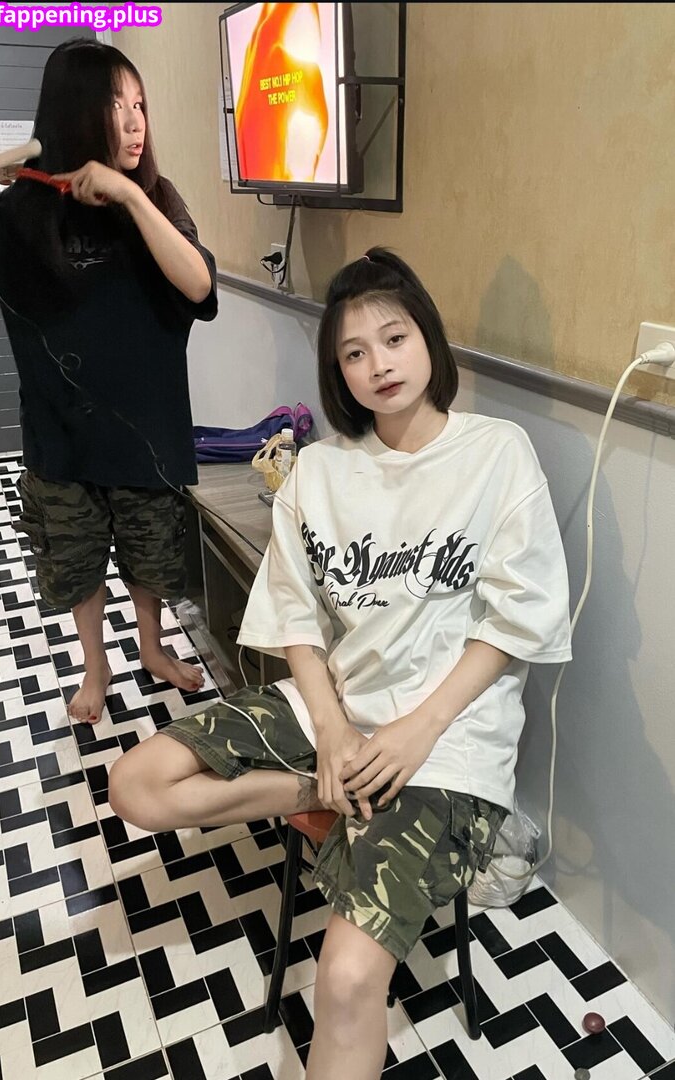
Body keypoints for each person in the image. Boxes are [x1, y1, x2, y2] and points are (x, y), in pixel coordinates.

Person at [108, 248, 572, 1080]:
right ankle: (330, 790)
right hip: (338, 706)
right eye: (354, 353)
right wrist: (330, 731)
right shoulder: (319, 470)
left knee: (349, 979)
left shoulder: (497, 454)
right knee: (136, 785)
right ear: (337, 372)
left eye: (395, 339)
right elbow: (295, 616)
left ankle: (354, 790)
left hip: (449, 739)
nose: (378, 364)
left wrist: (415, 731)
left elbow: (520, 618)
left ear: (428, 339)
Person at [0, 39, 217, 724]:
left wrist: (129, 194)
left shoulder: (155, 198)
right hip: (60, 437)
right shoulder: (20, 214)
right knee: (76, 562)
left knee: (149, 557)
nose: (135, 123)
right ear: (75, 111)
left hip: (144, 434)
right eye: (115, 105)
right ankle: (95, 668)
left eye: (140, 106)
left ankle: (152, 648)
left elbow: (198, 284)